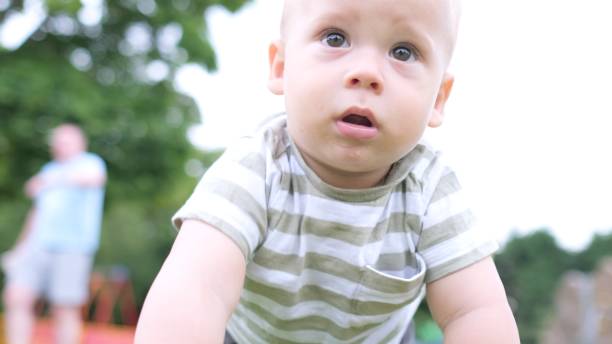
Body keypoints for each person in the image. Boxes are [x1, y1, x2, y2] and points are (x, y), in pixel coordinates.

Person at [135, 0, 520, 342]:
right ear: (282, 68)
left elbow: (475, 310)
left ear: (437, 98)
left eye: (403, 51)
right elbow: (197, 285)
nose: (367, 72)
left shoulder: (430, 188)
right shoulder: (256, 168)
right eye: (335, 39)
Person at [2, 124, 107, 344]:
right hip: (38, 245)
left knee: (64, 307)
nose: (60, 146)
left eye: (66, 141)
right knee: (16, 297)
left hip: (73, 247)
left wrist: (49, 182)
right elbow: (37, 214)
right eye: (57, 142)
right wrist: (19, 249)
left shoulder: (91, 163)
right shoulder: (49, 169)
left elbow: (93, 179)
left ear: (81, 143)